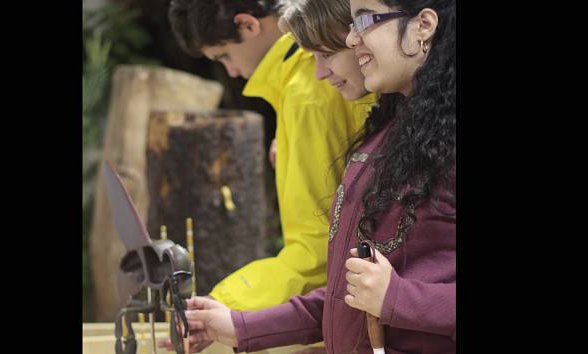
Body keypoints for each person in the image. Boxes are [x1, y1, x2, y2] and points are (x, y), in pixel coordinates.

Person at [162, 0, 456, 353]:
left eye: (363, 20)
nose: (350, 38)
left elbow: (370, 290)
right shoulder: (386, 134)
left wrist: (399, 298)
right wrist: (239, 327)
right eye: (349, 23)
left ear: (423, 25)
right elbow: (344, 296)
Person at [168, 0, 374, 312]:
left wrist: (224, 303)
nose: (233, 71)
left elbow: (318, 251)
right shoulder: (306, 85)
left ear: (248, 25)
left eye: (224, 56)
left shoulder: (306, 96)